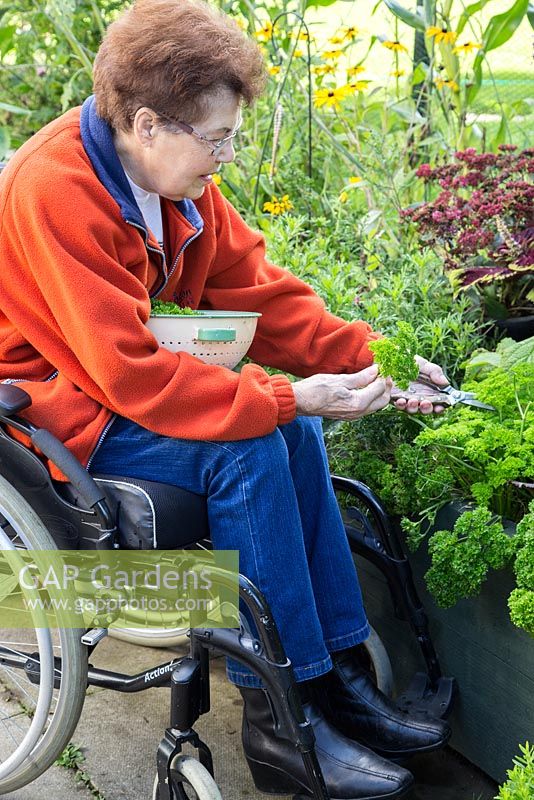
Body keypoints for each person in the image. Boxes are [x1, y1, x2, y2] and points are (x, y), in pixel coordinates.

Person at [0, 1, 451, 797]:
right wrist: (285, 397)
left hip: (117, 383)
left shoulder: (176, 184)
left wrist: (372, 359)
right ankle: (281, 724)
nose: (228, 157)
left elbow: (264, 298)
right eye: (217, 139)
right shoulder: (55, 192)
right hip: (57, 410)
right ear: (146, 123)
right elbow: (130, 373)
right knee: (250, 438)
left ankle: (334, 675)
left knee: (297, 427)